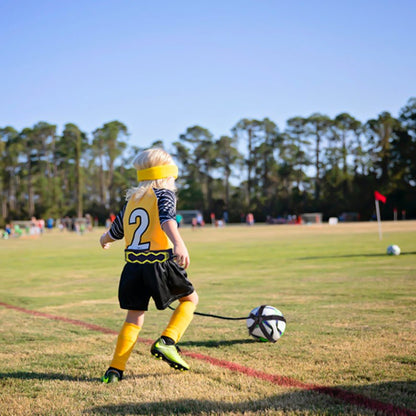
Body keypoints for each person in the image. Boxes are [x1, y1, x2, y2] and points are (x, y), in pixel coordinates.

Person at [99, 148, 199, 383]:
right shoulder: (163, 194)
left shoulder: (132, 199)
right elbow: (167, 220)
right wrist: (179, 243)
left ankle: (114, 370)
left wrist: (104, 239)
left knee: (134, 317)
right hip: (158, 262)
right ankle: (167, 341)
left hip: (132, 266)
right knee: (190, 300)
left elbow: (116, 230)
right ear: (167, 174)